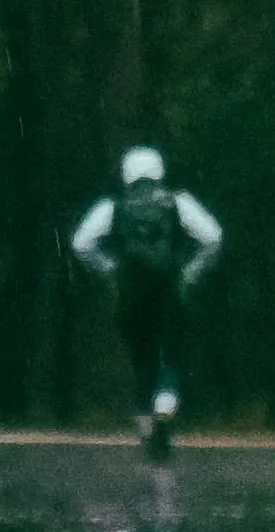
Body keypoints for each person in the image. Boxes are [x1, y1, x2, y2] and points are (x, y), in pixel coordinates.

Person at [65, 146, 225, 455]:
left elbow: (80, 243)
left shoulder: (112, 205)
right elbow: (213, 236)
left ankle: (146, 427)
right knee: (171, 353)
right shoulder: (178, 201)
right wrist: (191, 272)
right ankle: (164, 408)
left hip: (130, 290)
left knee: (142, 358)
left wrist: (110, 268)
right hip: (169, 287)